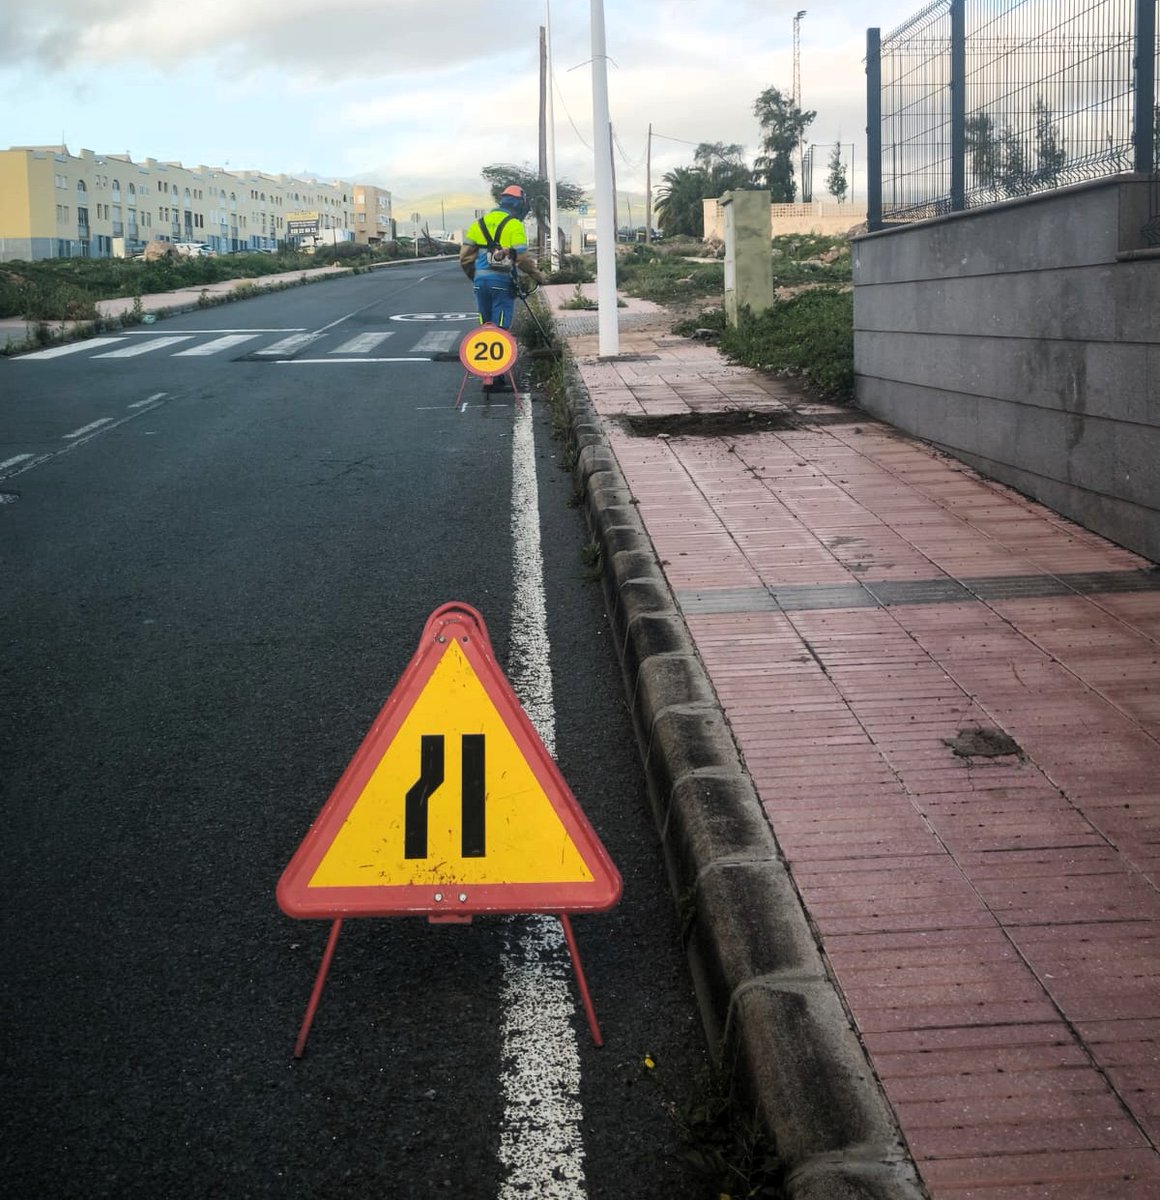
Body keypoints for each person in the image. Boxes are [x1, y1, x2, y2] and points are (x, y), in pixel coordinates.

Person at [459, 185, 546, 331]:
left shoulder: (478, 224)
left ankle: (486, 350)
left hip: (480, 282)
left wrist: (476, 277)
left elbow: (464, 257)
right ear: (519, 204)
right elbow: (523, 258)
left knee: (485, 326)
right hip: (502, 282)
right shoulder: (514, 225)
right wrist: (538, 276)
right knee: (500, 328)